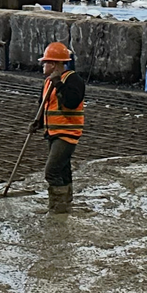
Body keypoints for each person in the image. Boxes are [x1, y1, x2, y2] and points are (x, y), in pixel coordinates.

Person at [31, 41, 86, 213]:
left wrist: (59, 84)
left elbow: (70, 102)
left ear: (54, 64)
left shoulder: (73, 80)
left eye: (45, 62)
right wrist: (38, 122)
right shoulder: (48, 82)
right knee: (63, 169)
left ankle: (58, 206)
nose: (42, 66)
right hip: (53, 132)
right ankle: (65, 202)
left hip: (67, 133)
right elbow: (45, 104)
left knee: (52, 171)